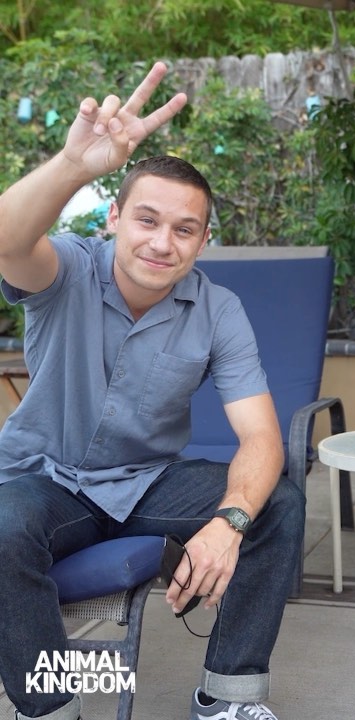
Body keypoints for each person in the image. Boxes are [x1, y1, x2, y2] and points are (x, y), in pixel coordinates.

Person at [0, 61, 304, 720]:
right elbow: (6, 238)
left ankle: (227, 697)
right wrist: (73, 165)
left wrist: (229, 521)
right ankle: (49, 709)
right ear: (114, 217)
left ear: (203, 240)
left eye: (184, 229)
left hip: (146, 483)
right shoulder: (67, 270)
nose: (162, 243)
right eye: (146, 220)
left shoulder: (218, 311)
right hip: (44, 480)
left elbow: (262, 438)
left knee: (274, 501)